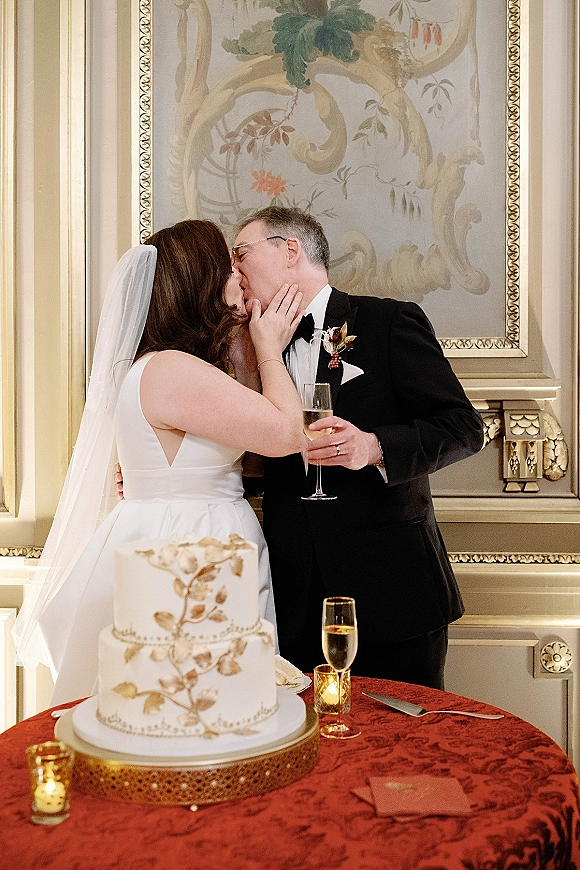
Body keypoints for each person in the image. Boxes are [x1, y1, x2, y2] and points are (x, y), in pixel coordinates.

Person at [12, 219, 305, 705]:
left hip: (191, 526)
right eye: (228, 267)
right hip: (189, 545)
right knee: (193, 698)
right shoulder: (171, 368)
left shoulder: (167, 366)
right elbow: (286, 434)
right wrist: (269, 348)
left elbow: (248, 461)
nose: (239, 277)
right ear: (203, 282)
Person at [232, 206, 484, 689]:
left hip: (392, 589)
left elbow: (463, 427)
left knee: (404, 746)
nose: (235, 268)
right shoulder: (248, 346)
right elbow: (246, 455)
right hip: (293, 595)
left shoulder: (388, 321)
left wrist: (373, 446)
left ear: (291, 250)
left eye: (241, 253)